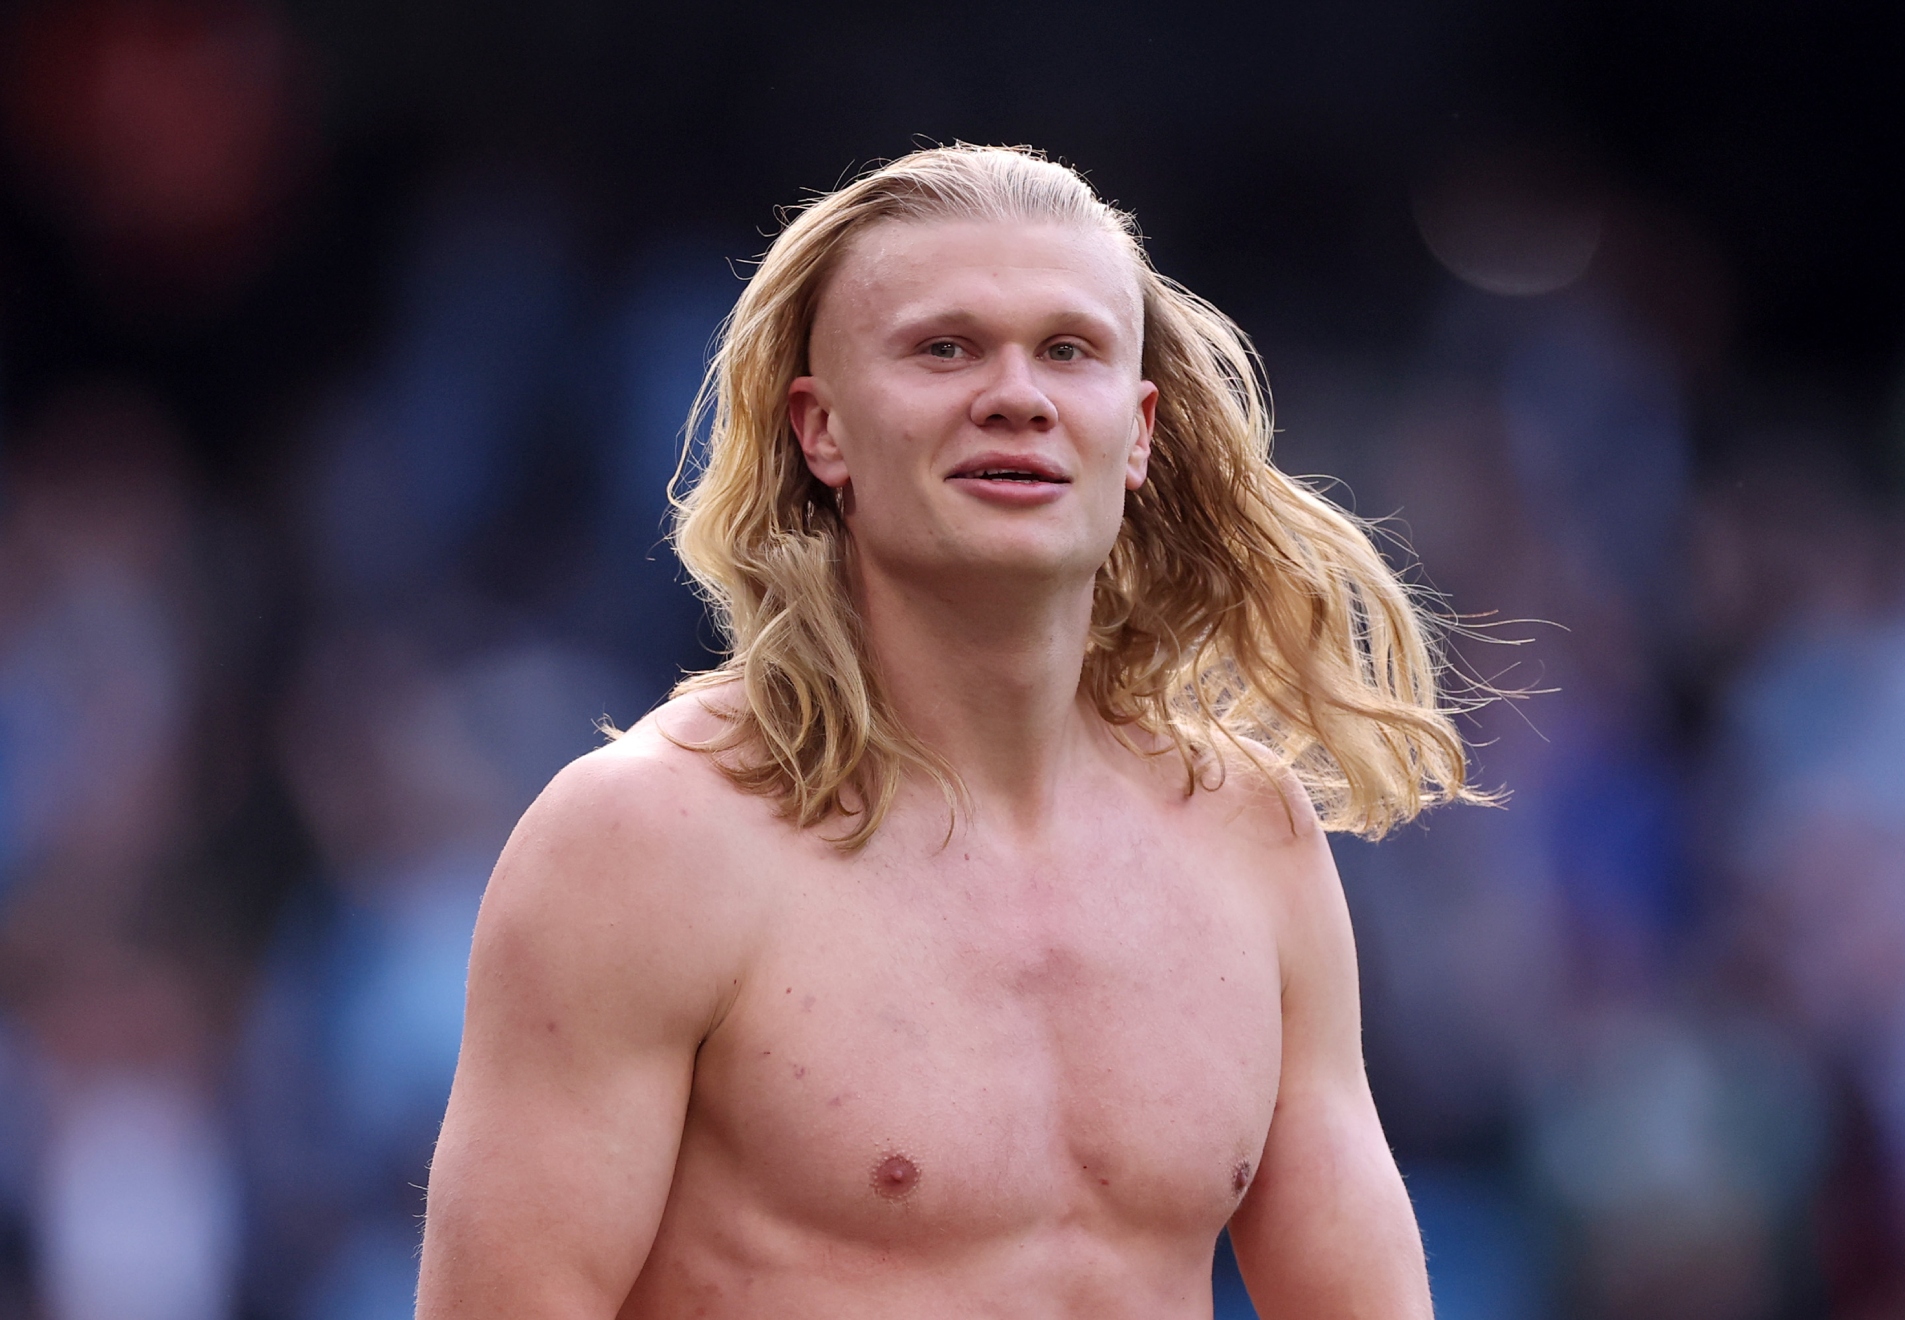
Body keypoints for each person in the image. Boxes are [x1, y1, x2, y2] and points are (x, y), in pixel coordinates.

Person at [416, 144, 1475, 1319]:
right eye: (944, 348)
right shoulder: (646, 843)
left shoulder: (1250, 834)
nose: (1016, 393)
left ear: (1137, 434)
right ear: (821, 431)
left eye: (1068, 350)